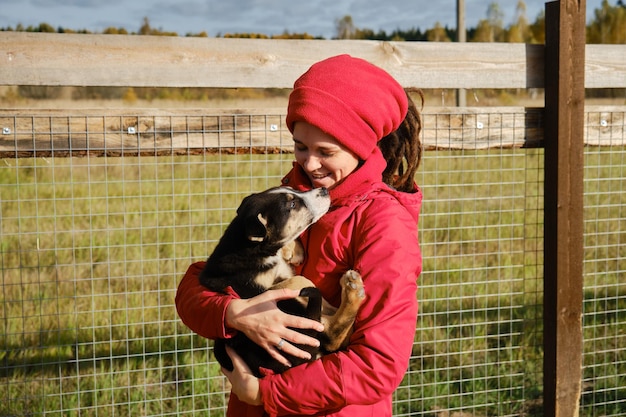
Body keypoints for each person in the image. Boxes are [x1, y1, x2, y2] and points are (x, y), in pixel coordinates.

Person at [175, 54, 424, 417]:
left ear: (362, 146)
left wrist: (265, 393)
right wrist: (234, 313)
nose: (309, 164)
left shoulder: (384, 225)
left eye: (326, 151)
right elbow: (199, 285)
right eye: (301, 146)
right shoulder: (288, 200)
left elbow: (378, 365)